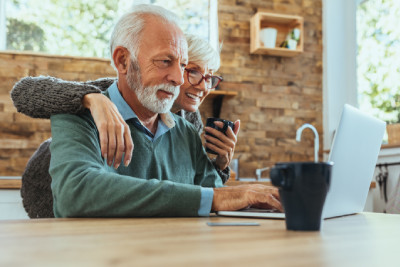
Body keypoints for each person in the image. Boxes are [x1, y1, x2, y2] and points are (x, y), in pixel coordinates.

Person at [13, 4, 282, 218]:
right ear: (122, 60)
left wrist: (234, 180)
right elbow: (74, 194)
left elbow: (213, 192)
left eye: (183, 65)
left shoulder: (188, 128)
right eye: (165, 61)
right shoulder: (78, 109)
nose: (179, 79)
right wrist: (215, 198)